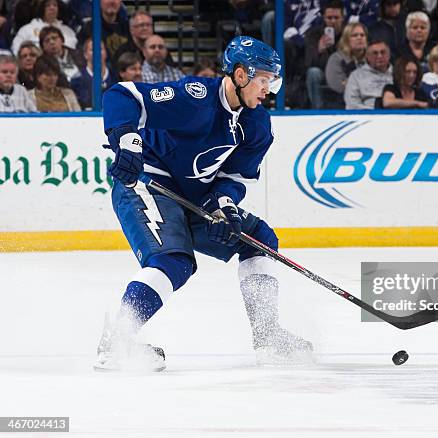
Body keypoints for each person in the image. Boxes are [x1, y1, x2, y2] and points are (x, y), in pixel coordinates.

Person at [95, 36, 313, 371]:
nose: (268, 90)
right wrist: (127, 142)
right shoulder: (195, 98)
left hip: (192, 198)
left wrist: (222, 206)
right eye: (264, 81)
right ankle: (116, 341)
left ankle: (267, 336)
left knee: (260, 242)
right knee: (173, 260)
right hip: (147, 183)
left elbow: (235, 177)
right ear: (241, 76)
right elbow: (123, 95)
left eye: (272, 82)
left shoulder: (256, 125)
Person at [303, 0, 344, 109]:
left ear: (342, 18)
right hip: (323, 71)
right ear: (324, 18)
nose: (333, 21)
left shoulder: (348, 33)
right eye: (329, 18)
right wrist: (319, 50)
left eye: (336, 18)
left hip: (344, 73)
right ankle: (317, 111)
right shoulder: (313, 34)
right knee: (313, 73)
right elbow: (308, 63)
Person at [325, 22, 368, 108]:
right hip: (342, 103)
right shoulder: (336, 59)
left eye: (362, 35)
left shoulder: (372, 58)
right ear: (346, 39)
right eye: (355, 35)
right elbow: (338, 85)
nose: (359, 38)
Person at [11, 0, 77, 54]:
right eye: (48, 5)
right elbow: (16, 49)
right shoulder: (27, 29)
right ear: (42, 9)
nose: (52, 8)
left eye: (55, 5)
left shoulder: (68, 31)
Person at [344, 39, 393, 109]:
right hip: (367, 116)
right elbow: (352, 104)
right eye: (375, 53)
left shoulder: (398, 74)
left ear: (389, 55)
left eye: (383, 52)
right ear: (368, 56)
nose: (379, 56)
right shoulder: (355, 76)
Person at [70, 37, 116, 109]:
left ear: (106, 53)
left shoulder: (115, 76)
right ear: (85, 55)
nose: (97, 52)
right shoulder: (77, 79)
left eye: (100, 49)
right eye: (92, 50)